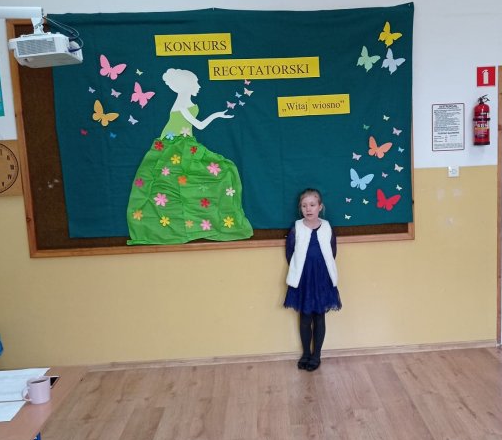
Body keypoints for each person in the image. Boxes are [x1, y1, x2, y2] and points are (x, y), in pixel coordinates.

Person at [127, 68, 253, 245]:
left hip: (182, 143)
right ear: (187, 85)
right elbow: (198, 125)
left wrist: (218, 115)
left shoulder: (185, 101)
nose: (199, 86)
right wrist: (217, 115)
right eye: (196, 83)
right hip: (176, 144)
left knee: (205, 174)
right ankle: (174, 228)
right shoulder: (182, 103)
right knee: (174, 182)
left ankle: (197, 224)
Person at [284, 188, 342, 371]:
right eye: (304, 205)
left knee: (319, 317)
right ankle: (306, 354)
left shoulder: (327, 227)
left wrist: (320, 269)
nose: (308, 209)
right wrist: (301, 270)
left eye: (312, 205)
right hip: (304, 279)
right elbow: (290, 253)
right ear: (300, 208)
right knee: (305, 317)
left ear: (320, 207)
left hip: (322, 278)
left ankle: (316, 355)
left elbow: (333, 251)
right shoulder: (297, 228)